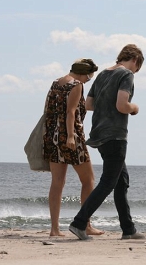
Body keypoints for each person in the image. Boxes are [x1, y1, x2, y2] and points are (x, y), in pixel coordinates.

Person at [69, 44, 145, 241]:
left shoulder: (102, 74)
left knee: (121, 182)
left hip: (99, 132)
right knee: (108, 183)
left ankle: (128, 229)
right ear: (135, 61)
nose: (135, 71)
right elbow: (122, 105)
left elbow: (89, 104)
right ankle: (79, 223)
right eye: (137, 68)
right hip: (115, 134)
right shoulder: (126, 75)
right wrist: (134, 108)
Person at [43, 58, 103, 237]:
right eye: (89, 77)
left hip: (53, 137)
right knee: (89, 180)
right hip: (72, 137)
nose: (87, 80)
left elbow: (48, 109)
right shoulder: (76, 85)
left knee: (57, 183)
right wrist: (70, 136)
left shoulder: (56, 83)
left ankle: (54, 229)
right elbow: (70, 112)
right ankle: (85, 224)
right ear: (84, 73)